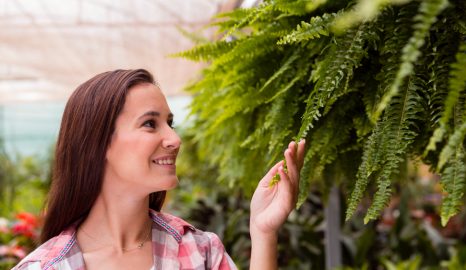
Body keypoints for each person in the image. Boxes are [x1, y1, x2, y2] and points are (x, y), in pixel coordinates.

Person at [13, 69, 306, 270]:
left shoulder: (200, 251)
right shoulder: (45, 266)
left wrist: (263, 232)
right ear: (98, 143)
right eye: (150, 124)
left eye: (170, 123)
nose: (174, 139)